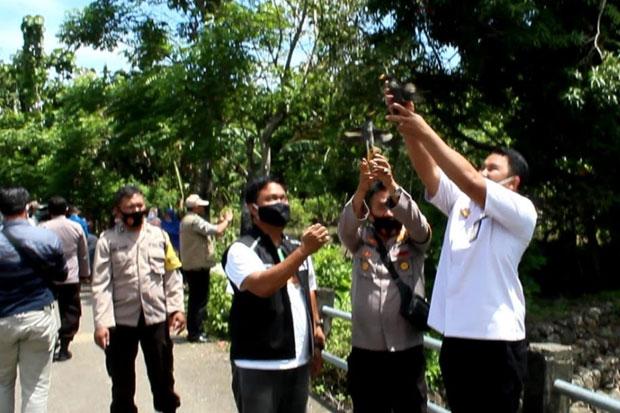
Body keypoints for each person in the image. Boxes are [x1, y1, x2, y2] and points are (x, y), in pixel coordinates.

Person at [385, 95, 538, 412]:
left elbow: (467, 177)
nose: (482, 170)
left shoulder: (522, 211)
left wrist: (425, 130)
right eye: (482, 165)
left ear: (513, 183)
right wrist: (409, 130)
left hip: (499, 344)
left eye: (492, 169)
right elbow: (430, 173)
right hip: (456, 340)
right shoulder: (463, 204)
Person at [223, 176, 328, 413]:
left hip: (298, 363)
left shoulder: (294, 247)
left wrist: (317, 330)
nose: (280, 203)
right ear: (253, 208)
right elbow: (262, 286)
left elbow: (308, 289)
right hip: (258, 363)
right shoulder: (241, 249)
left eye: (283, 198)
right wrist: (303, 251)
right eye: (271, 199)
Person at [337, 153, 431, 413]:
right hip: (366, 352)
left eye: (392, 204)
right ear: (369, 211)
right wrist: (361, 189)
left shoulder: (413, 241)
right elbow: (344, 229)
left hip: (406, 351)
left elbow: (420, 227)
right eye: (382, 206)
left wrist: (391, 184)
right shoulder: (359, 240)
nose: (389, 211)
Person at [91, 185, 186, 413]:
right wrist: (101, 323)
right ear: (118, 211)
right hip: (121, 321)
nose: (136, 210)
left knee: (163, 374)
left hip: (156, 317)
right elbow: (101, 284)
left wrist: (176, 309)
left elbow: (172, 275)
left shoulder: (159, 236)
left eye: (140, 206)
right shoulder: (108, 241)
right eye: (130, 207)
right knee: (121, 379)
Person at [0, 187, 68, 412]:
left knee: (2, 384)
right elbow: (62, 274)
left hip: (2, 321)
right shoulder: (46, 237)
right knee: (36, 388)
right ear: (28, 207)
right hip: (39, 316)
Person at [40, 196, 90, 361]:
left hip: (48, 278)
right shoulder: (75, 227)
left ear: (49, 210)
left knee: (48, 311)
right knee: (71, 311)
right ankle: (65, 344)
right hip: (71, 276)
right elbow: (83, 254)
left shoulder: (43, 228)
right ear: (66, 210)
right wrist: (85, 274)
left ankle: (51, 342)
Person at [179, 194, 233, 343]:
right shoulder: (194, 220)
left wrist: (220, 224)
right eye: (201, 205)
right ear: (195, 207)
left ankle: (194, 332)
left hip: (191, 266)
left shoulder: (186, 220)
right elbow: (215, 230)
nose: (203, 207)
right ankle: (197, 333)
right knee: (200, 300)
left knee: (194, 300)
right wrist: (227, 221)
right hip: (198, 267)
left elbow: (214, 229)